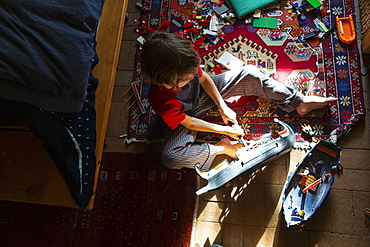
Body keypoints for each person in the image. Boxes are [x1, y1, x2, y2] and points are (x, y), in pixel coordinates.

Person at [140, 31, 337, 171]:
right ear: (164, 83)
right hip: (187, 117)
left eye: (192, 73)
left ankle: (297, 101)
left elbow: (203, 78)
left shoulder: (184, 66)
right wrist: (224, 131)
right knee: (170, 157)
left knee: (249, 72)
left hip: (201, 97)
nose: (191, 77)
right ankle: (223, 147)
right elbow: (189, 122)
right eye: (185, 80)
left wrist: (222, 106)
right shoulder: (160, 98)